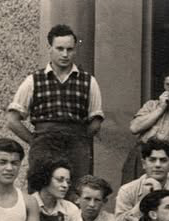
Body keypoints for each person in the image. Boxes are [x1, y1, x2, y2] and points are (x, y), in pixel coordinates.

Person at [7, 24, 103, 194]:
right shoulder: (33, 80)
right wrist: (34, 140)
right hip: (44, 144)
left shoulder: (89, 81)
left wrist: (80, 138)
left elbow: (95, 121)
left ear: (75, 50)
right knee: (40, 191)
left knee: (77, 192)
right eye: (59, 48)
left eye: (69, 49)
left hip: (76, 146)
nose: (65, 54)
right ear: (49, 48)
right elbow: (13, 120)